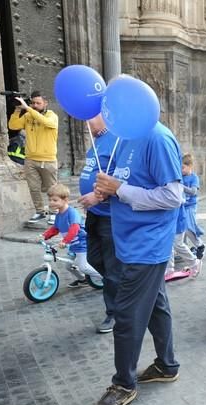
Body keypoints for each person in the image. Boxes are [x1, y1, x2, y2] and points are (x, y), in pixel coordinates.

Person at [90, 122, 183, 405]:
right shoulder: (125, 136)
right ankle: (166, 366)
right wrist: (106, 191)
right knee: (156, 305)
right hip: (130, 241)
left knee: (127, 315)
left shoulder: (157, 137)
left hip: (148, 245)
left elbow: (173, 196)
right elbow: (126, 183)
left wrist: (119, 189)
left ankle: (123, 384)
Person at [78, 114, 121, 334]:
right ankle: (123, 288)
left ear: (105, 116)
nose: (86, 123)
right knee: (94, 258)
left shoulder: (117, 139)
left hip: (109, 215)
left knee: (112, 268)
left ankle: (114, 313)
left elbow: (122, 179)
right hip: (93, 214)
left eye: (90, 118)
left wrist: (99, 196)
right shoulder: (98, 139)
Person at [7, 91, 59, 224]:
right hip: (30, 159)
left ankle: (54, 212)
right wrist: (17, 110)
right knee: (34, 187)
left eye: (38, 103)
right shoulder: (29, 115)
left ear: (45, 103)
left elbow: (47, 122)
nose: (35, 105)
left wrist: (28, 108)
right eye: (33, 103)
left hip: (48, 159)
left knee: (51, 188)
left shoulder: (52, 116)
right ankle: (40, 212)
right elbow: (13, 126)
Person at [41, 183, 102, 287]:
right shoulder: (59, 214)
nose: (51, 203)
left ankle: (108, 279)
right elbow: (55, 228)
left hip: (82, 244)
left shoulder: (71, 213)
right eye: (50, 200)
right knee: (68, 266)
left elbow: (75, 228)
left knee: (84, 267)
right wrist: (44, 236)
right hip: (73, 246)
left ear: (65, 200)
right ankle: (83, 280)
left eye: (55, 200)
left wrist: (65, 241)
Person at [181, 153, 206, 260]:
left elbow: (193, 191)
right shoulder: (181, 177)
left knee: (189, 228)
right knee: (181, 228)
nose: (181, 170)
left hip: (190, 207)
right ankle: (184, 248)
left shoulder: (194, 178)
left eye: (183, 167)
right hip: (182, 206)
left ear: (190, 166)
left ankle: (200, 245)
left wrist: (180, 187)